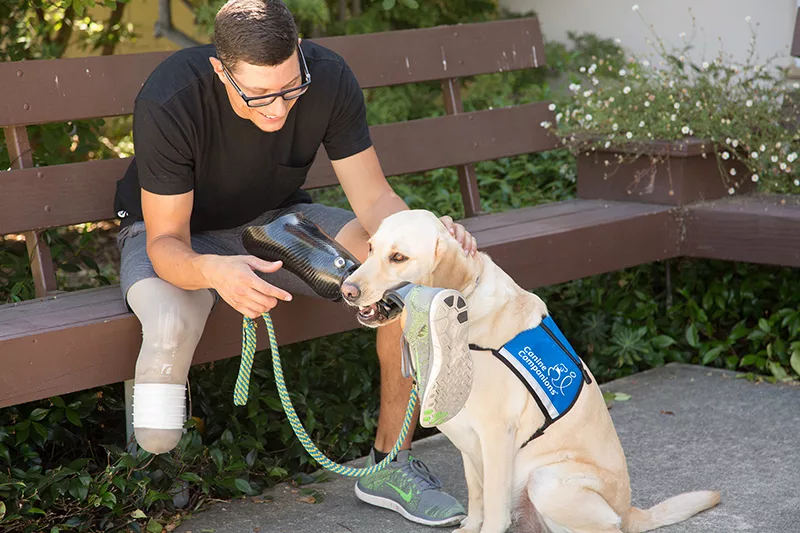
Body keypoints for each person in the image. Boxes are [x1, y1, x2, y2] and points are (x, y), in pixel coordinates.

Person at [112, 0, 477, 527]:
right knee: (168, 336)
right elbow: (166, 240)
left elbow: (375, 203)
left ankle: (389, 463)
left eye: (290, 89)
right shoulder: (171, 96)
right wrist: (216, 270)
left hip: (276, 222)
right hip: (171, 233)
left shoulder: (326, 78)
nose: (278, 110)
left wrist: (423, 235)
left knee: (408, 283)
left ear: (301, 55)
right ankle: (138, 491)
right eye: (258, 95)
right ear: (220, 70)